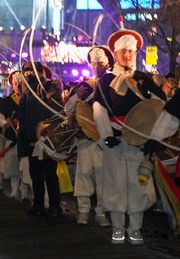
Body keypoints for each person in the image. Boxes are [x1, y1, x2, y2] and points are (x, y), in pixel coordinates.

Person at [93, 29, 162, 244]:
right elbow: (99, 108)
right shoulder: (106, 80)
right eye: (122, 51)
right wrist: (106, 135)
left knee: (138, 184)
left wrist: (153, 136)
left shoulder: (144, 79)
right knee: (115, 184)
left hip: (140, 140)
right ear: (116, 53)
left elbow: (158, 107)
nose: (127, 56)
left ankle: (135, 229)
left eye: (130, 52)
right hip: (115, 139)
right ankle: (117, 228)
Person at [68, 46, 113, 227]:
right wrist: (77, 98)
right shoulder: (84, 85)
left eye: (100, 63)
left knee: (103, 176)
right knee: (83, 173)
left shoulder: (113, 83)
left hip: (105, 138)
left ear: (108, 63)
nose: (97, 66)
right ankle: (84, 210)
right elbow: (68, 110)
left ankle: (101, 211)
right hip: (85, 138)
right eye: (94, 63)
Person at [18, 62, 63, 217]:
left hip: (47, 139)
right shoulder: (26, 93)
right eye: (26, 71)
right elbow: (23, 119)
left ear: (39, 72)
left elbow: (56, 110)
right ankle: (38, 204)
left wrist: (48, 132)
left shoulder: (49, 88)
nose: (29, 74)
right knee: (35, 174)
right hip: (32, 140)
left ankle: (55, 205)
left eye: (32, 71)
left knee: (50, 173)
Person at [0, 70, 24, 199]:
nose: (17, 85)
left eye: (20, 83)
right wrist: (4, 123)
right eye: (15, 83)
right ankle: (14, 189)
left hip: (26, 138)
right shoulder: (5, 101)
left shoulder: (29, 99)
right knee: (12, 165)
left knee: (25, 166)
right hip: (11, 138)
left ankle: (24, 190)